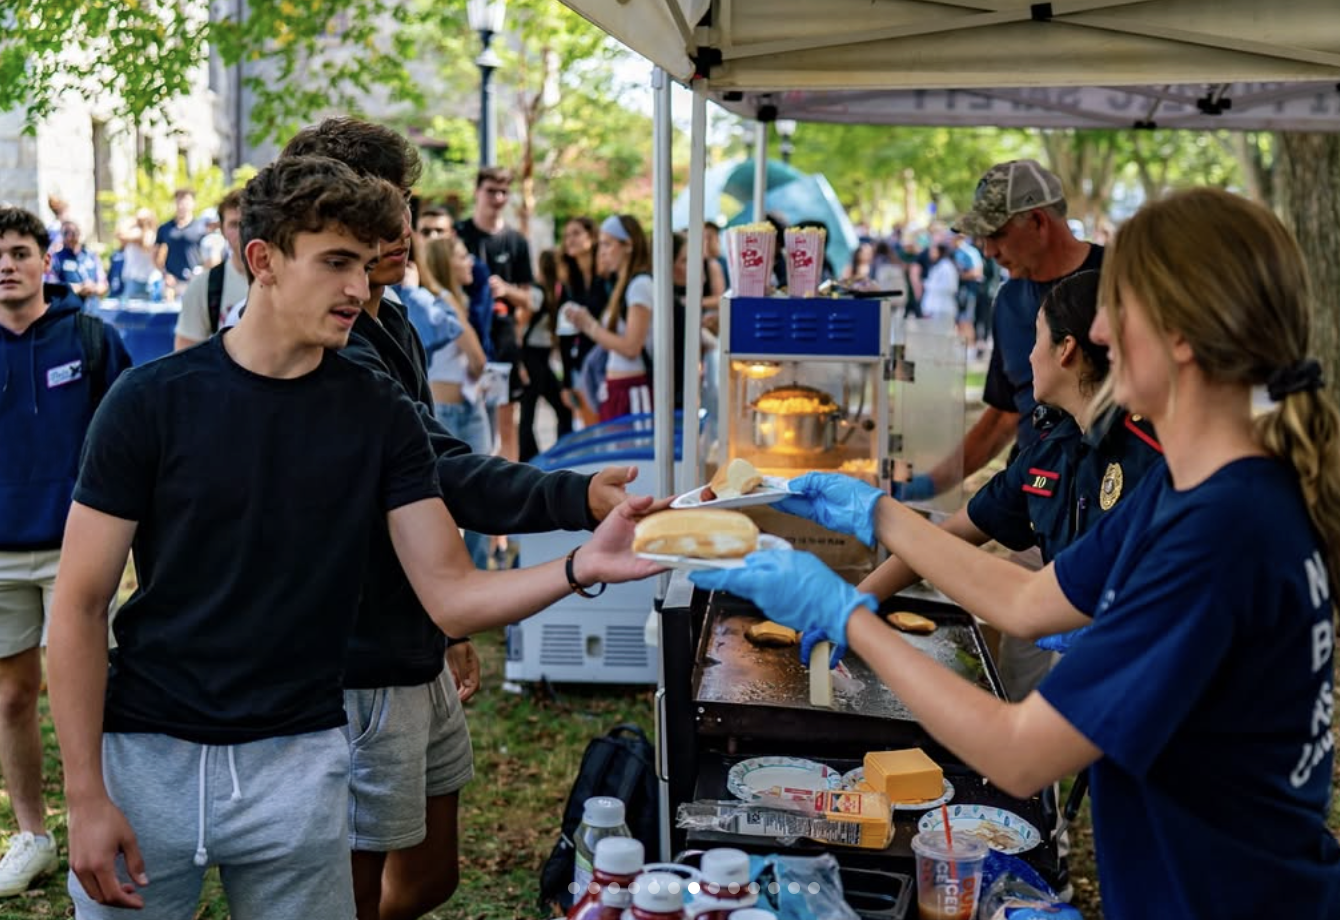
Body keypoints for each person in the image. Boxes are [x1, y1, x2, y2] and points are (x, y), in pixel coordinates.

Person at [694, 187, 1340, 919]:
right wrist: (879, 515)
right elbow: (1028, 603)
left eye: (1114, 306)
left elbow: (1021, 754)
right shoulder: (1199, 490)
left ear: (1181, 335)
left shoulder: (1221, 533)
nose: (1095, 328)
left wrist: (847, 618)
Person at [45, 155, 659, 919]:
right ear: (261, 261)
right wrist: (85, 795)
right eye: (336, 262)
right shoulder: (149, 402)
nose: (358, 290)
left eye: (367, 267)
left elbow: (452, 592)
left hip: (302, 762)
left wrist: (580, 564)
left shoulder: (377, 410)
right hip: (149, 760)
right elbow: (78, 604)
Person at [279, 117, 642, 920]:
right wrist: (575, 499)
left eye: (405, 204)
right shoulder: (333, 348)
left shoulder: (393, 320)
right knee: (354, 885)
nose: (409, 227)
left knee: (433, 873)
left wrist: (448, 629)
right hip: (359, 653)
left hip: (416, 625)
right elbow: (436, 466)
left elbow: (430, 466)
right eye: (392, 208)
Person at [860, 269, 1163, 652]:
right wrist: (854, 602)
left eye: (1036, 337)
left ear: (1065, 348)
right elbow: (945, 540)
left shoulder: (1154, 458)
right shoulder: (1049, 453)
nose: (1029, 355)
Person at [0, 206, 131, 899]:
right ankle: (33, 836)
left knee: (89, 695)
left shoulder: (91, 338)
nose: (7, 265)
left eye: (20, 252)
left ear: (46, 263)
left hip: (79, 550)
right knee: (12, 696)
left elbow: (131, 441)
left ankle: (105, 818)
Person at [908, 160, 1101, 500]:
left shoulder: (1118, 278)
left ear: (1039, 222)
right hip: (1036, 492)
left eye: (996, 234)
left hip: (1109, 495)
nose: (988, 251)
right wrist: (929, 484)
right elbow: (1005, 413)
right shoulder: (1010, 300)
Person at [421, 233, 492, 571]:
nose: (470, 263)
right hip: (455, 408)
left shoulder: (442, 299)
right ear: (445, 262)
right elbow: (477, 357)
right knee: (478, 495)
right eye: (463, 256)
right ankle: (471, 578)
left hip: (455, 405)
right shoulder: (445, 299)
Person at [455, 167, 533, 463]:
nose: (497, 198)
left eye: (503, 192)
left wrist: (505, 290)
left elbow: (531, 299)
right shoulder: (458, 234)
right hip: (462, 340)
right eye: (491, 190)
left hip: (502, 341)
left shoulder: (516, 241)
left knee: (505, 423)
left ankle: (510, 492)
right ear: (477, 191)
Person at [563, 214, 653, 422]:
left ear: (628, 245)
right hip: (618, 389)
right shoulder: (623, 283)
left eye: (607, 244)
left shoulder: (639, 285)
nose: (601, 251)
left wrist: (590, 326)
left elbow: (631, 347)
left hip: (632, 390)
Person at [173, 189, 248, 350]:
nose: (243, 232)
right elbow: (185, 359)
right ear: (222, 230)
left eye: (248, 222)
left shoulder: (286, 281)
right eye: (234, 224)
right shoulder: (204, 286)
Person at [518, 248, 572, 461]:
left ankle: (553, 452)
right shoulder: (549, 291)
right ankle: (531, 457)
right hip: (533, 356)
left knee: (535, 410)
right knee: (531, 409)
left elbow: (521, 324)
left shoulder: (552, 291)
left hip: (536, 355)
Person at [556, 216, 604, 428]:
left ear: (592, 237)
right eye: (566, 236)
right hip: (579, 367)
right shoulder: (569, 282)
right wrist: (566, 383)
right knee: (588, 429)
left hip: (604, 364)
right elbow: (564, 335)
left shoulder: (604, 277)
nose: (570, 240)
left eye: (576, 233)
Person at [154, 188, 206, 298]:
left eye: (186, 201)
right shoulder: (165, 228)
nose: (182, 205)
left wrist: (202, 271)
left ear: (193, 203)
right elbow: (155, 254)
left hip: (194, 281)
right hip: (172, 284)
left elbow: (210, 255)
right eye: (179, 201)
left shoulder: (201, 227)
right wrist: (164, 274)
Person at [49, 219, 109, 312]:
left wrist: (93, 288)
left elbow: (103, 284)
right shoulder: (56, 258)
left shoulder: (91, 256)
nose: (70, 237)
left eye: (73, 232)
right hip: (68, 312)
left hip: (92, 311)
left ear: (79, 233)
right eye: (66, 233)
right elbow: (52, 287)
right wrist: (79, 288)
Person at [116, 210, 159, 300]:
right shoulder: (137, 231)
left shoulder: (147, 234)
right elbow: (119, 234)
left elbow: (121, 234)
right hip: (135, 279)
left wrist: (134, 220)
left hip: (143, 281)